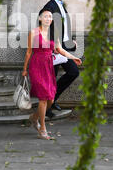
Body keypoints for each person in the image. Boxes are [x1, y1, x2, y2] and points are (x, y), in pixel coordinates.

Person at [22, 9, 82, 140]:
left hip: (48, 67)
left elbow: (60, 50)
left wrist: (73, 58)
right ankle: (42, 129)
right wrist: (24, 69)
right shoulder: (33, 33)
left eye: (50, 17)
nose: (48, 19)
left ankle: (34, 117)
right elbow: (28, 52)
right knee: (43, 98)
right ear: (40, 19)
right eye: (45, 16)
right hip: (36, 65)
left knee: (51, 99)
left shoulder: (54, 34)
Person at [41, 0, 80, 118]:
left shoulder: (61, 6)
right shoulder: (49, 7)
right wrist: (52, 46)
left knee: (73, 72)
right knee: (52, 78)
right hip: (53, 49)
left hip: (63, 47)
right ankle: (47, 108)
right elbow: (43, 29)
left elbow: (63, 29)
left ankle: (53, 100)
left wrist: (70, 42)